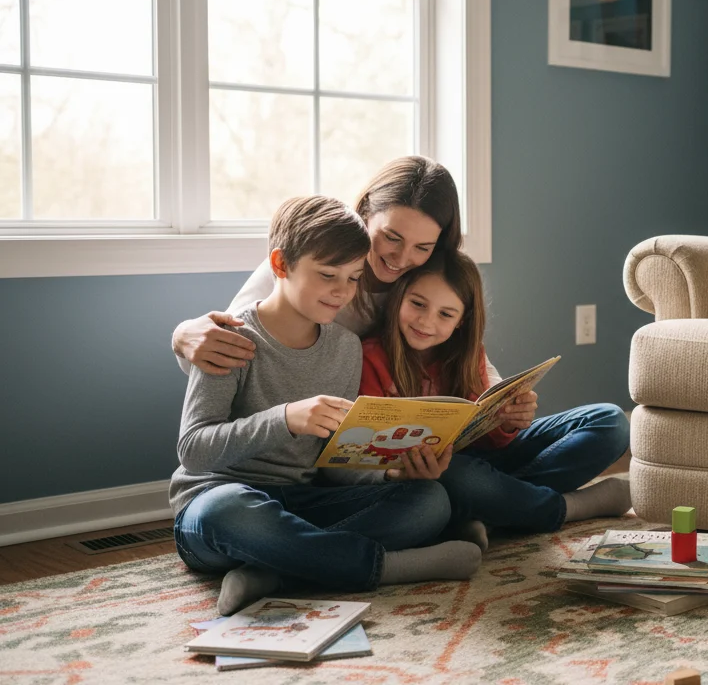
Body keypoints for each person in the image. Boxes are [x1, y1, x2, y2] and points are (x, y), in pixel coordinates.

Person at [169, 156, 630, 545]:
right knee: (448, 483)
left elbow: (473, 364)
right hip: (341, 461)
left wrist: (504, 405)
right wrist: (183, 334)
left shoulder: (425, 282)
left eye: (422, 247)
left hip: (440, 451)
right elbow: (239, 341)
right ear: (365, 213)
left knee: (608, 423)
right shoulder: (314, 268)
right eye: (390, 237)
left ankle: (487, 507)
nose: (400, 258)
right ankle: (519, 507)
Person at [171, 196, 481, 617]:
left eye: (354, 278)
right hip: (221, 500)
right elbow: (194, 449)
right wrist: (285, 420)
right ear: (281, 265)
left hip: (301, 500)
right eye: (328, 275)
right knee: (227, 511)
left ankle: (275, 571)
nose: (342, 292)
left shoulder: (345, 348)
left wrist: (390, 471)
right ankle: (383, 566)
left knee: (429, 500)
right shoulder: (231, 338)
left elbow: (334, 468)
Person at [360, 251, 630, 549]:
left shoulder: (466, 353)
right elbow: (371, 452)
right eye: (417, 304)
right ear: (399, 297)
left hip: (485, 465)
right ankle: (564, 508)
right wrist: (402, 471)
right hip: (440, 475)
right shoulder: (371, 356)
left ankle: (491, 510)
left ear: (462, 320)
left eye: (446, 314)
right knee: (456, 474)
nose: (426, 321)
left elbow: (493, 443)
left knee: (611, 421)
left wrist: (507, 422)